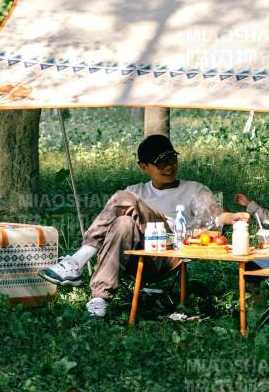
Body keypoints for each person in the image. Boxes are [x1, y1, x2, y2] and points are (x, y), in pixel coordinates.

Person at [39, 134, 247, 318]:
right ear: (143, 166)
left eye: (172, 159)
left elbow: (215, 216)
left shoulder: (193, 189)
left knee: (123, 198)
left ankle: (77, 260)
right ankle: (100, 298)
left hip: (167, 254)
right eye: (160, 162)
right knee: (123, 222)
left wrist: (232, 217)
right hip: (132, 257)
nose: (168, 166)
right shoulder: (136, 190)